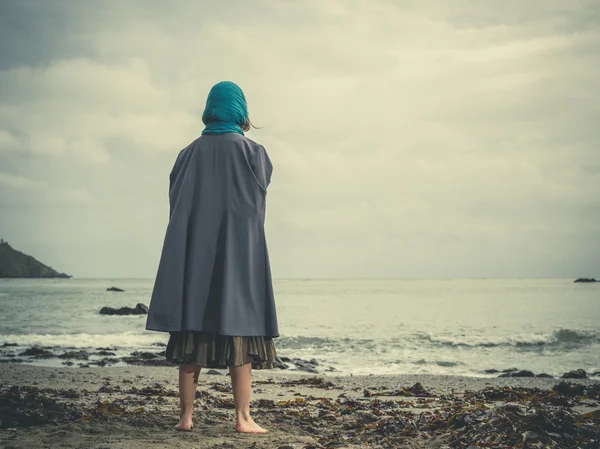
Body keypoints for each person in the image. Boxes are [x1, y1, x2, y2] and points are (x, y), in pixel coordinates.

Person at [145, 81, 279, 434]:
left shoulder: (187, 154)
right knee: (240, 340)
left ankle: (186, 418)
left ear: (210, 109)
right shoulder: (254, 153)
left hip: (194, 263)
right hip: (238, 259)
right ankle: (242, 418)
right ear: (240, 111)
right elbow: (257, 198)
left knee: (190, 343)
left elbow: (177, 203)